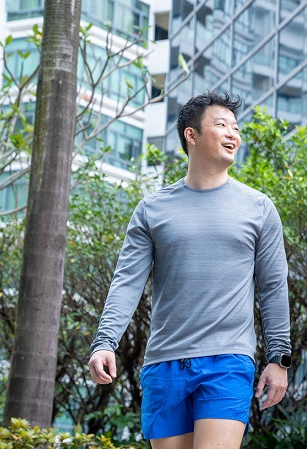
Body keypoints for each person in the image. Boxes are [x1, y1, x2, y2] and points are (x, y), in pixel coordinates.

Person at [88, 91, 292, 449]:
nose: (233, 134)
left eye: (236, 127)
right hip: (165, 363)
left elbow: (273, 287)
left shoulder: (259, 207)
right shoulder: (152, 209)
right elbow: (127, 283)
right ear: (191, 135)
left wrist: (279, 358)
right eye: (221, 124)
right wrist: (105, 342)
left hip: (227, 361)